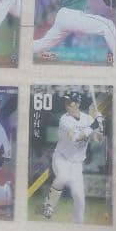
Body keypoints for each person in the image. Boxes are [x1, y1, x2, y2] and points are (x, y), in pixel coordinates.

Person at [41, 90, 104, 222]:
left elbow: (98, 139)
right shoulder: (64, 120)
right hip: (61, 158)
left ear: (78, 104)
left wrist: (100, 125)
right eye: (66, 101)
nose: (67, 104)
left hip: (76, 164)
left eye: (71, 102)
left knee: (79, 198)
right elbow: (74, 138)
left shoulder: (88, 119)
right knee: (63, 176)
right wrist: (93, 126)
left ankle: (78, 225)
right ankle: (48, 205)